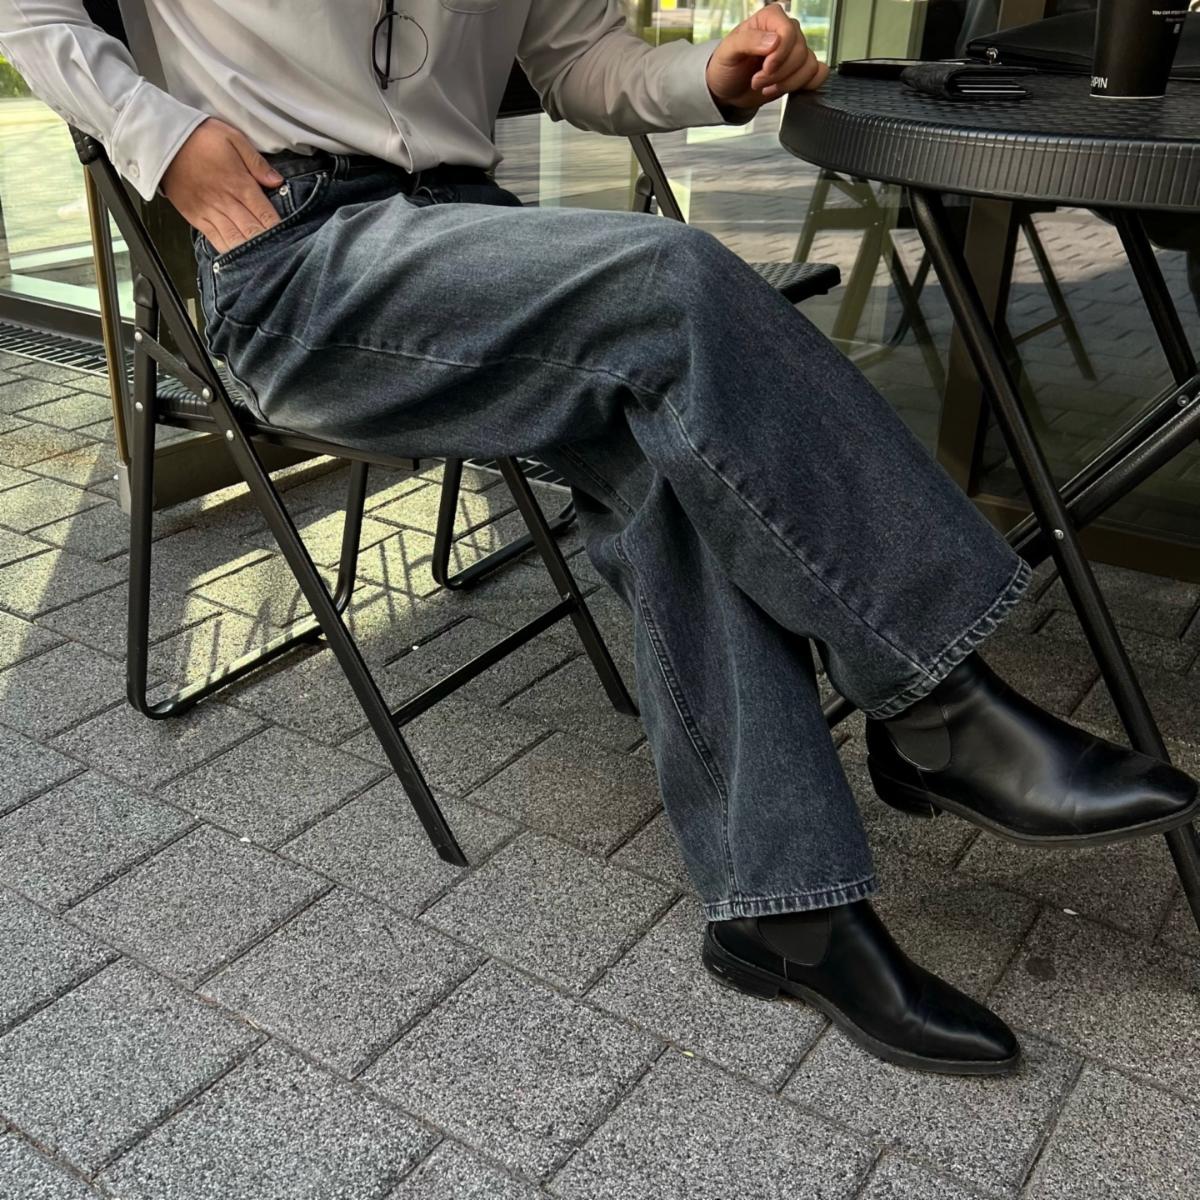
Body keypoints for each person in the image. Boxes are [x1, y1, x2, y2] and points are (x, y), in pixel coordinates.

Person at [3, 0, 1195, 1077]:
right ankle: (937, 701)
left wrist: (709, 77)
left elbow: (581, 60)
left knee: (669, 455)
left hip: (469, 239)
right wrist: (157, 133)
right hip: (296, 258)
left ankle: (786, 912)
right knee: (673, 288)